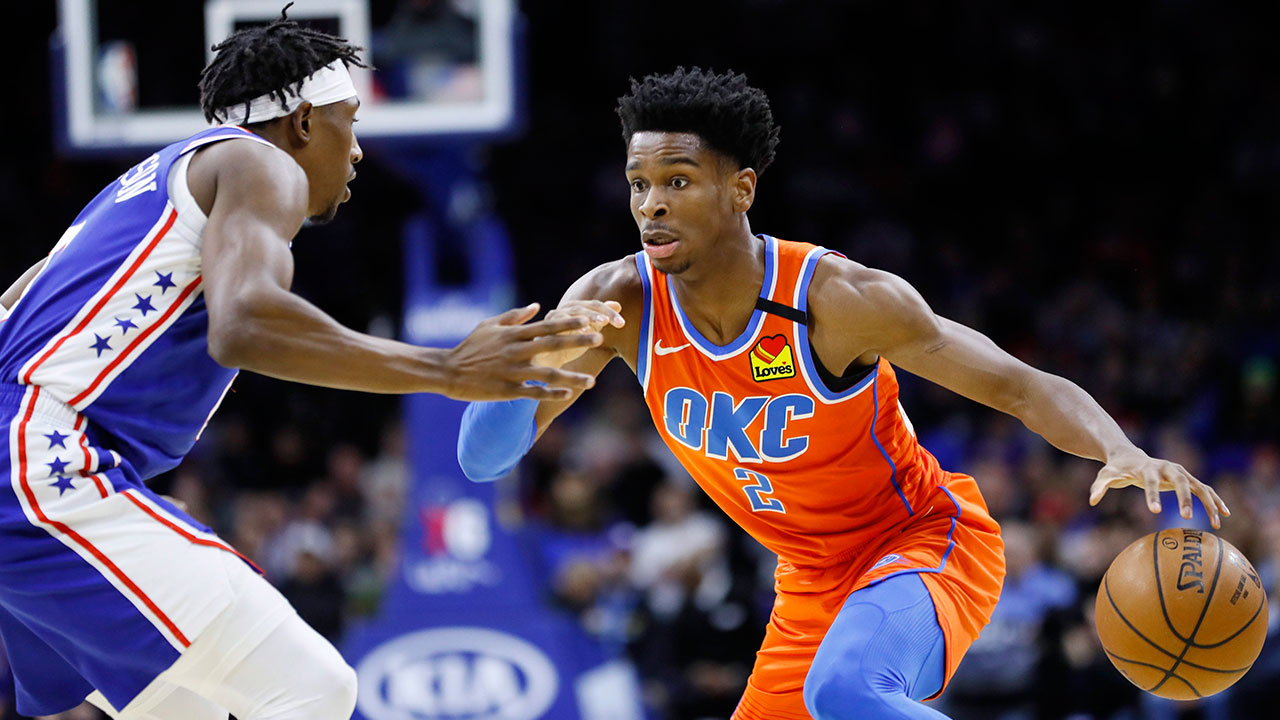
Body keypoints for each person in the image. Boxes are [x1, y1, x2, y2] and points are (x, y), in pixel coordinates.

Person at [456, 67, 1230, 720]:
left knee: (849, 691)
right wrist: (529, 366)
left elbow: (1018, 386)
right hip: (812, 582)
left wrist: (1122, 449)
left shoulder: (835, 298)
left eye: (677, 181)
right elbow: (483, 462)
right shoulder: (615, 302)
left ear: (741, 189)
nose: (650, 204)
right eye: (638, 184)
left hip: (924, 543)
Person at [0, 9, 602, 720]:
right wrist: (445, 369)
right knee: (314, 686)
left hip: (32, 466)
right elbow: (245, 325)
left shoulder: (139, 190)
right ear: (303, 122)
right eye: (350, 120)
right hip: (39, 463)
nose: (358, 151)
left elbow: (12, 302)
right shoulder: (260, 164)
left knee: (192, 710)